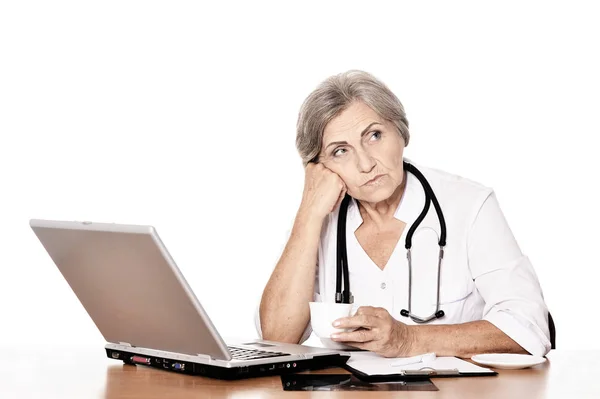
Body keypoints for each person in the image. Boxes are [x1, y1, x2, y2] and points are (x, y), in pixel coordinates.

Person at [255, 70, 550, 358]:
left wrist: (409, 339)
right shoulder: (318, 222)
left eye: (374, 135)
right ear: (319, 168)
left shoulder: (469, 205)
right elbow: (277, 339)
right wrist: (308, 213)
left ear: (401, 132)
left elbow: (529, 327)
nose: (365, 163)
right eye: (340, 151)